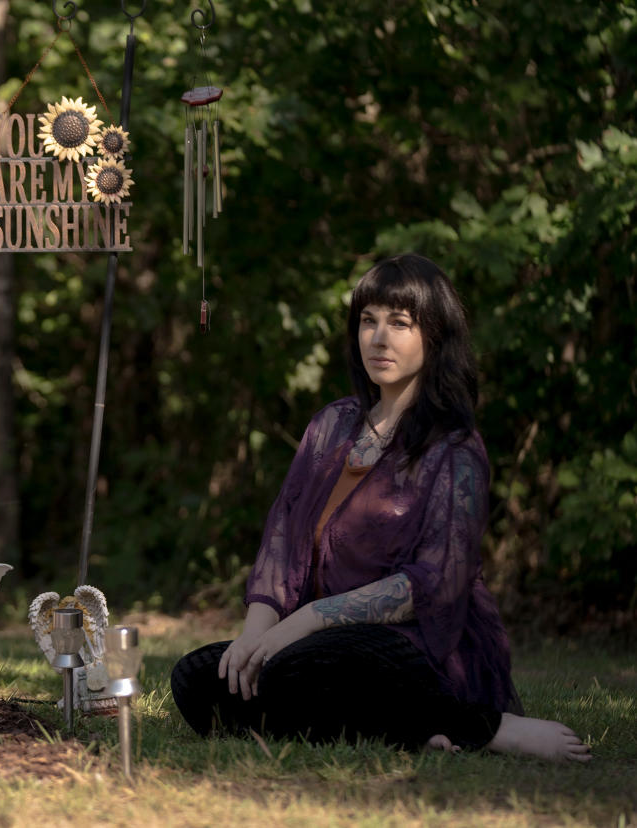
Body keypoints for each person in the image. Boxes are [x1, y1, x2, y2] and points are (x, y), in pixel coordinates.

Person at [171, 254, 591, 762]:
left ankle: (490, 728)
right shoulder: (331, 426)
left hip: (413, 649)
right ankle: (412, 729)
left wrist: (310, 619)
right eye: (368, 321)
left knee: (333, 663)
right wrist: (255, 640)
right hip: (315, 648)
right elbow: (280, 543)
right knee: (197, 677)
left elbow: (435, 581)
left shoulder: (453, 448)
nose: (379, 338)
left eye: (399, 323)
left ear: (434, 336)